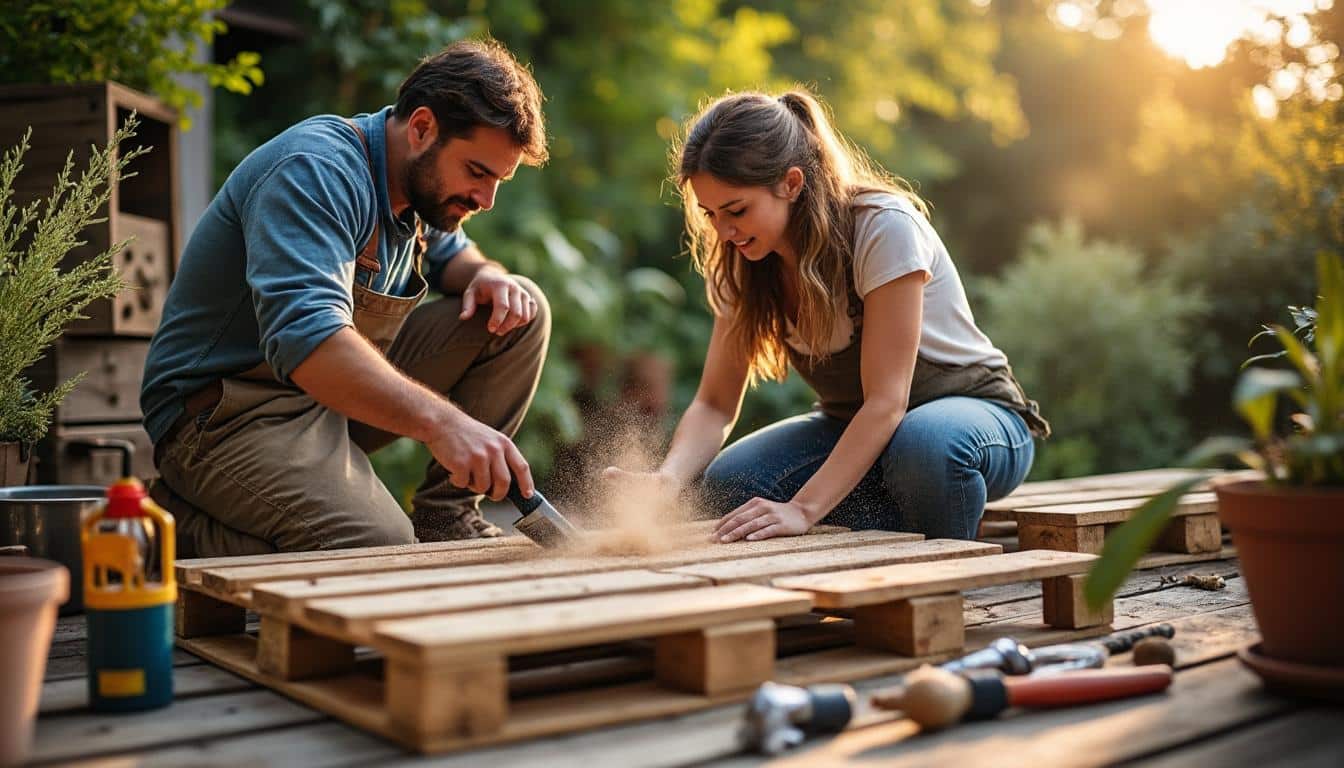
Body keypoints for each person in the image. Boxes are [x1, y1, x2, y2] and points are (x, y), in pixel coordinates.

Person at [141, 40, 551, 557]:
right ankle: (166, 532)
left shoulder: (422, 188)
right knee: (376, 548)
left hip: (323, 401)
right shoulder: (316, 171)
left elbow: (457, 258)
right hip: (223, 415)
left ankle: (448, 519)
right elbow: (309, 342)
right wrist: (446, 424)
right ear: (423, 127)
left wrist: (487, 276)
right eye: (477, 172)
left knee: (519, 309)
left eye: (498, 181)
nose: (486, 200)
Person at [605, 89, 1049, 543]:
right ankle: (898, 522)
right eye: (711, 214)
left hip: (973, 422)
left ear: (791, 184)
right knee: (731, 483)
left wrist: (803, 508)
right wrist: (669, 479)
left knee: (925, 446)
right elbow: (715, 404)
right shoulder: (739, 260)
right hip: (858, 431)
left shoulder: (882, 227)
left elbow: (886, 402)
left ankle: (941, 571)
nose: (723, 231)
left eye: (737, 210)